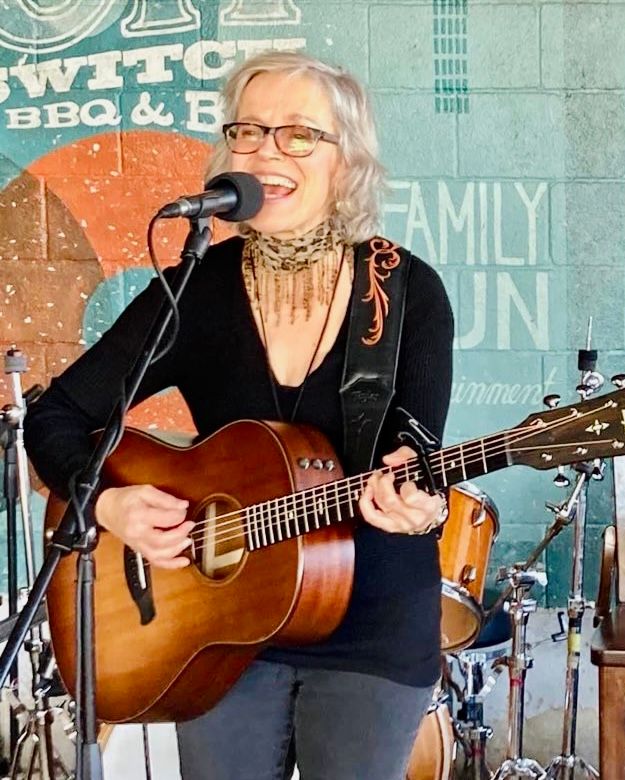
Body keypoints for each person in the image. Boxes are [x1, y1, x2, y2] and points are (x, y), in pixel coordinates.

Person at [25, 51, 454, 780]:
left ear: (345, 160)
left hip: (371, 627)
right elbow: (55, 417)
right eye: (248, 131)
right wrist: (109, 504)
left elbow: (417, 458)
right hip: (215, 635)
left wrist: (421, 504)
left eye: (298, 134)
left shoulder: (405, 290)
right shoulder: (197, 289)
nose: (266, 151)